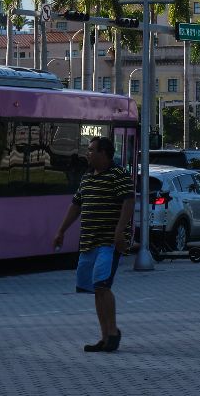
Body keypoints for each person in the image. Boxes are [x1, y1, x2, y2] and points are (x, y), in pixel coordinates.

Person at [51, 135, 134, 352]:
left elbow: (128, 202)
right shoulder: (87, 178)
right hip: (88, 242)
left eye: (91, 150)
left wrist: (119, 233)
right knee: (95, 290)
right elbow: (76, 206)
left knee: (102, 285)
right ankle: (105, 336)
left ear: (104, 153)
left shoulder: (118, 175)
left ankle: (113, 332)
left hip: (108, 242)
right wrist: (61, 230)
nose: (87, 153)